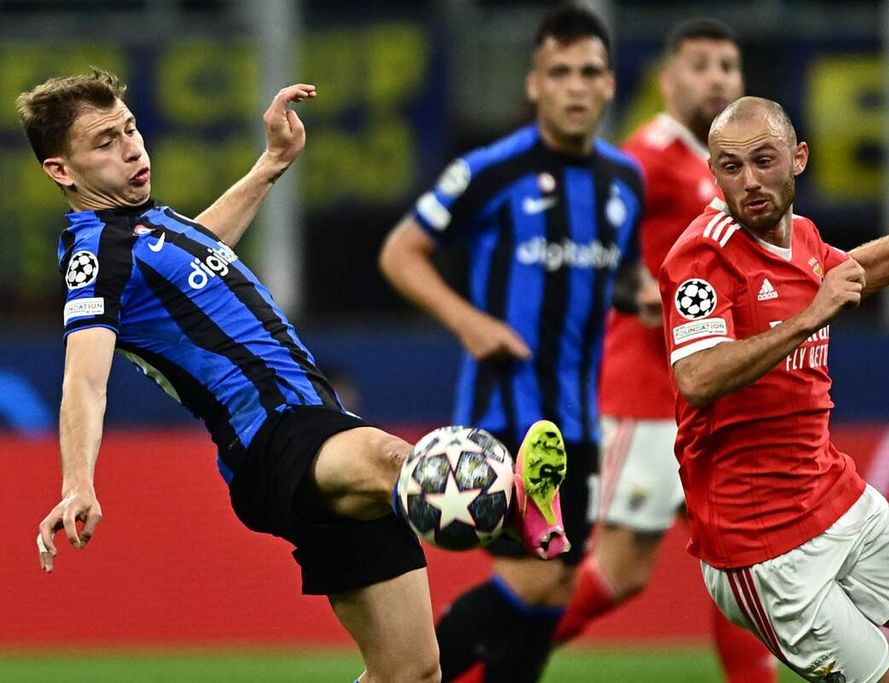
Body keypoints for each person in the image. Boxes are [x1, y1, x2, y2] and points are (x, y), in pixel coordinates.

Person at [18, 69, 567, 683]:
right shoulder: (96, 255)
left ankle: (499, 501)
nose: (131, 147)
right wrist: (77, 482)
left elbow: (201, 251)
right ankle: (513, 497)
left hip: (317, 422)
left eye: (131, 128)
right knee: (391, 458)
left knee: (410, 670)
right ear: (61, 171)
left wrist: (273, 162)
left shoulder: (150, 229)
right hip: (271, 438)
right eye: (104, 142)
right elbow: (83, 380)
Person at [660, 95, 889, 682]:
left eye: (764, 160)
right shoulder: (702, 258)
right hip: (760, 546)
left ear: (799, 158)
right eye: (730, 167)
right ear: (713, 173)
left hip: (838, 500)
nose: (748, 181)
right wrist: (805, 319)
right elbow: (696, 378)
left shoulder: (800, 235)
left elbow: (851, 273)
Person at [379, 6, 644, 681]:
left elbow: (620, 277)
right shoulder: (490, 171)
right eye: (560, 73)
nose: (575, 87)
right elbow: (401, 252)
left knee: (554, 593)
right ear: (534, 84)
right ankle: (400, 672)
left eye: (589, 73)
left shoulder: (624, 182)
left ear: (610, 85)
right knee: (532, 580)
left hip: (580, 420)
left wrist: (645, 297)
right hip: (506, 417)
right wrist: (469, 321)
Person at [551, 18, 776, 682]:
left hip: (707, 390)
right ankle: (468, 665)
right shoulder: (647, 154)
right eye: (701, 65)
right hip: (649, 394)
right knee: (618, 572)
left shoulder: (715, 165)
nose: (717, 78)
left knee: (744, 559)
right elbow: (580, 238)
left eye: (728, 66)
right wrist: (634, 288)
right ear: (667, 78)